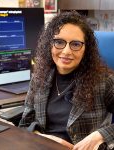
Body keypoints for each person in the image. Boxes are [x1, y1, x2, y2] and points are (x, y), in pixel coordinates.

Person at [19, 11, 114, 150]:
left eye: (75, 44)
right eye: (59, 42)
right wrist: (43, 137)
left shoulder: (103, 81)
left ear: (85, 49)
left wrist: (100, 135)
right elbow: (25, 122)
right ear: (49, 44)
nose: (66, 51)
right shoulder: (39, 77)